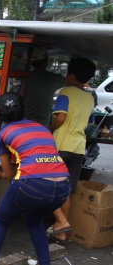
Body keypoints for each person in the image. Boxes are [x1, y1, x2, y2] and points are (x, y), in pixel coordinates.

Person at [0, 93, 71, 265]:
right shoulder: (43, 128)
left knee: (1, 219)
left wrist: (1, 174)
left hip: (32, 184)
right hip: (62, 186)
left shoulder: (2, 135)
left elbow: (10, 174)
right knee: (34, 221)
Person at [47, 57, 96, 243]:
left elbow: (60, 118)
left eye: (67, 73)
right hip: (78, 147)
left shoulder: (66, 92)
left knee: (47, 184)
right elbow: (89, 122)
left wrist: (48, 130)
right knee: (66, 189)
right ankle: (62, 231)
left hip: (61, 146)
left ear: (72, 76)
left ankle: (58, 222)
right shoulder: (90, 97)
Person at [24, 46, 65, 126]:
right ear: (46, 61)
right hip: (42, 123)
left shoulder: (25, 77)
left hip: (23, 121)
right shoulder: (53, 79)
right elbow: (70, 80)